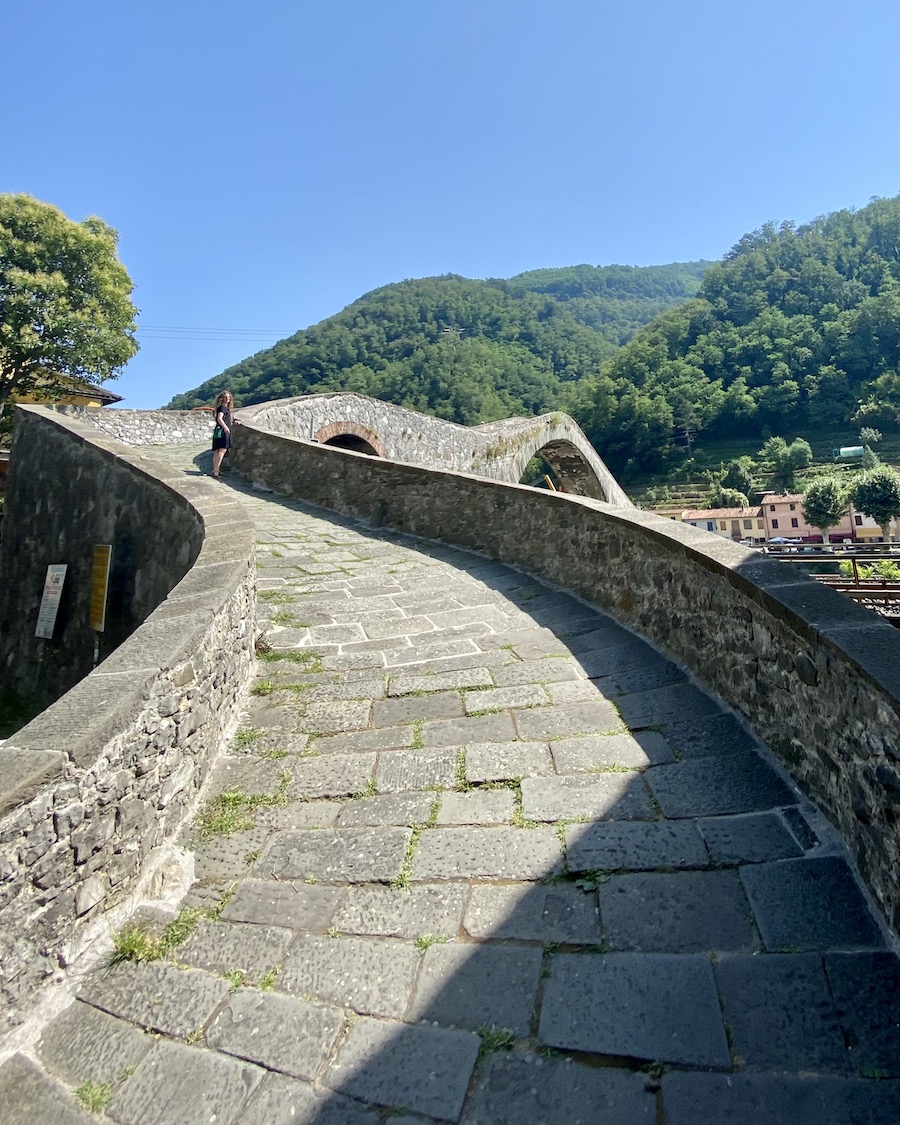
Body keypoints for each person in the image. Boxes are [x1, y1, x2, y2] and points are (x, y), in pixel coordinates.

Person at [211, 391, 234, 477]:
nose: (227, 399)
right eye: (225, 397)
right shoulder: (222, 408)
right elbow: (219, 418)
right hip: (223, 431)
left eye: (228, 397)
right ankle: (216, 471)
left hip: (220, 431)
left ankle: (216, 470)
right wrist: (225, 427)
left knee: (218, 450)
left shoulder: (223, 408)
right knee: (222, 450)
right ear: (222, 399)